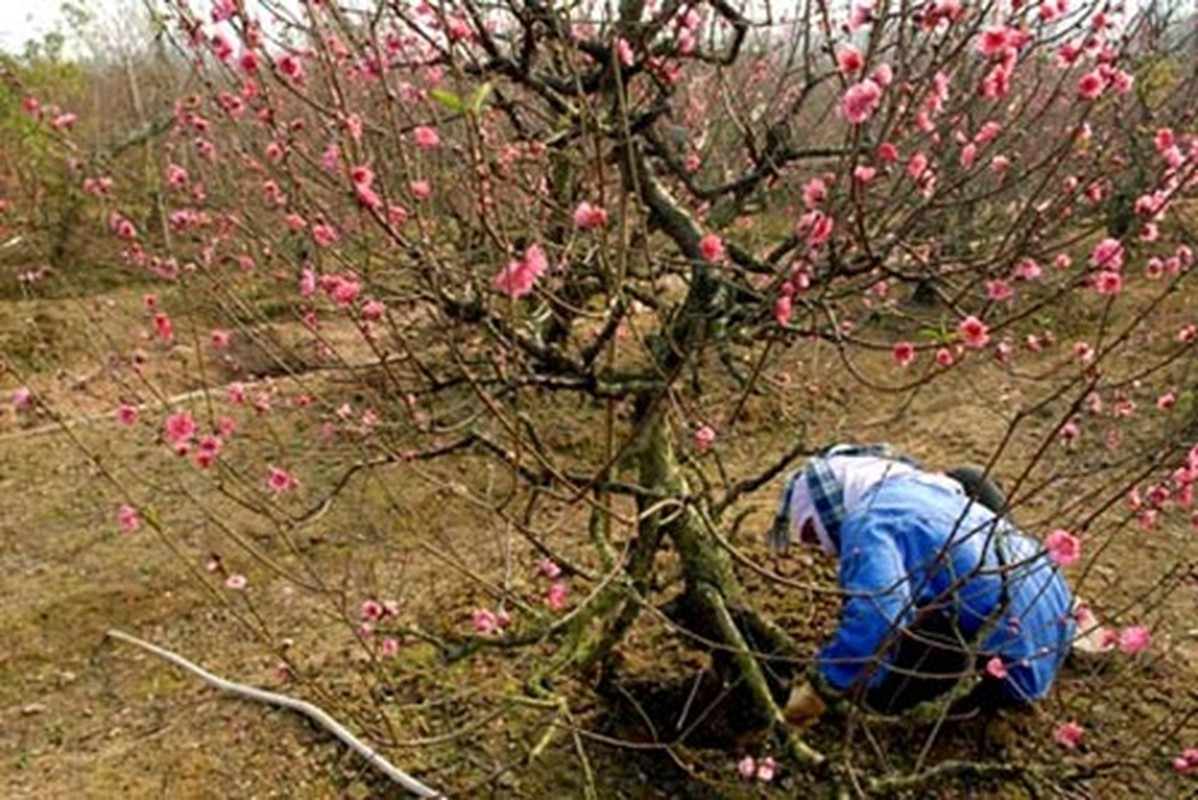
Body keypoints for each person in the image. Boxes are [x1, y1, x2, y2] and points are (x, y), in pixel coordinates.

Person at [769, 443, 1076, 725]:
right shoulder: (919, 488)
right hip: (1058, 618)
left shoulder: (869, 521)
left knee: (878, 695)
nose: (820, 549)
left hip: (1013, 668)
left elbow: (879, 612)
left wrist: (823, 686)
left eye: (811, 532)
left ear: (828, 500)